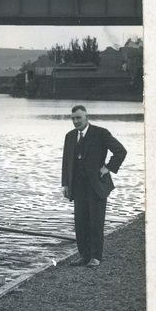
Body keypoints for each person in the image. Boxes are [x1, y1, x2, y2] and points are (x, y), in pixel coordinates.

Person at [61, 105, 127, 268]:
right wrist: (65, 184)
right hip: (77, 186)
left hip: (97, 185)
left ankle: (96, 257)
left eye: (79, 118)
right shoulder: (69, 136)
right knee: (80, 222)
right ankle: (84, 256)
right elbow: (66, 161)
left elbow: (121, 151)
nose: (75, 121)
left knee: (95, 222)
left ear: (86, 117)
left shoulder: (100, 133)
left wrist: (108, 167)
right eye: (73, 118)